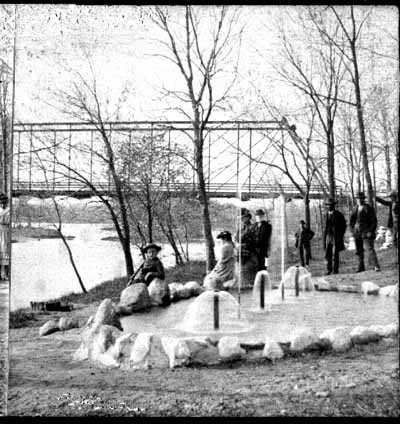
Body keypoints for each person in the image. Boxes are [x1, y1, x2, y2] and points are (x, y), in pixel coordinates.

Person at [349, 191, 380, 272]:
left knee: (370, 248)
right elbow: (351, 221)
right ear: (356, 200)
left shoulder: (369, 208)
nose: (359, 200)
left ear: (364, 199)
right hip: (357, 232)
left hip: (366, 231)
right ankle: (361, 267)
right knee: (359, 250)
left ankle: (376, 266)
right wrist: (352, 230)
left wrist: (371, 231)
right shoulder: (355, 208)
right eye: (358, 199)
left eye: (361, 199)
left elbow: (374, 221)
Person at [323, 198, 347, 275]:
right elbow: (324, 227)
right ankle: (329, 269)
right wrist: (324, 237)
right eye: (328, 205)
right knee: (328, 254)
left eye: (331, 205)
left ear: (334, 205)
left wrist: (340, 235)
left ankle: (335, 270)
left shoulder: (339, 214)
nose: (329, 206)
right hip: (328, 237)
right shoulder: (325, 215)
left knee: (335, 254)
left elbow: (344, 226)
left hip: (336, 236)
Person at [0, 192, 10, 281]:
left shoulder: (9, 210)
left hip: (5, 231)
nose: (3, 204)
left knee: (5, 250)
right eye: (1, 202)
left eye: (4, 202)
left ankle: (5, 274)